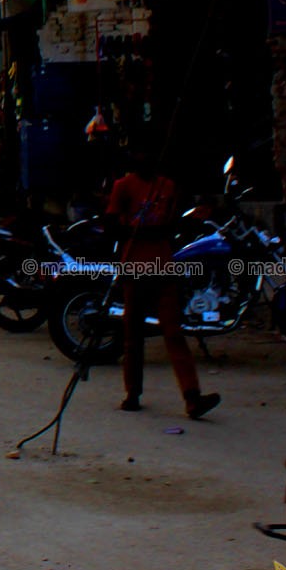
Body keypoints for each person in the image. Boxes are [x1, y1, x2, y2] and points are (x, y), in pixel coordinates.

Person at [109, 150, 218, 419]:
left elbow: (171, 226)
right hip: (134, 267)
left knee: (174, 333)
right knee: (132, 335)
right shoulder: (123, 187)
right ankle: (132, 393)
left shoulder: (167, 186)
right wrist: (134, 232)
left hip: (162, 267)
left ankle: (192, 397)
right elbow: (112, 225)